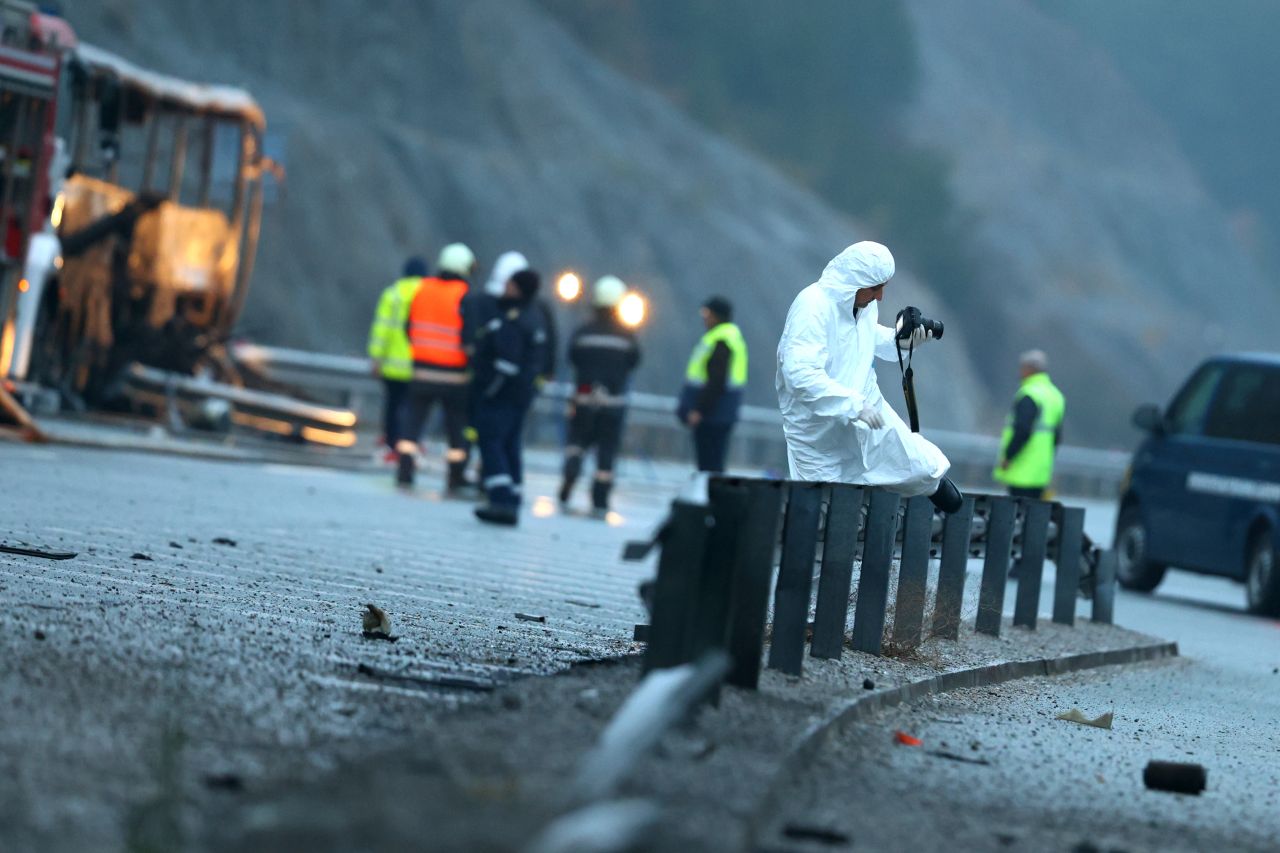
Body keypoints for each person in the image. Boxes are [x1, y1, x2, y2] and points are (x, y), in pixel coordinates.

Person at [775, 241, 963, 512]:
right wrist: (852, 405)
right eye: (876, 288)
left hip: (868, 408)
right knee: (824, 512)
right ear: (854, 281)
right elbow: (800, 375)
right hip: (817, 431)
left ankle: (937, 492)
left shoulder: (861, 305)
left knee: (918, 464)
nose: (880, 297)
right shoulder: (812, 307)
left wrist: (902, 341)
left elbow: (865, 337)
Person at [395, 242, 477, 493]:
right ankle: (455, 477)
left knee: (412, 426)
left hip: (422, 371)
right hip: (454, 376)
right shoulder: (465, 295)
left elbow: (408, 327)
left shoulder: (423, 289)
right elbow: (470, 336)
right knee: (456, 430)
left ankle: (405, 471)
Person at [558, 275, 642, 516]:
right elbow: (634, 362)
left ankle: (569, 480)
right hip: (613, 404)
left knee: (577, 444)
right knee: (606, 452)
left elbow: (572, 357)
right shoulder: (627, 336)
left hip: (583, 400)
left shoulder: (583, 332)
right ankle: (600, 500)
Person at [472, 268, 548, 525]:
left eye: (509, 284)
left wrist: (488, 390)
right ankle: (512, 498)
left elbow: (506, 363)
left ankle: (501, 499)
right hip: (521, 395)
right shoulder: (534, 316)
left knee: (492, 442)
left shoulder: (514, 319)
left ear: (518, 289)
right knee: (510, 445)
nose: (504, 288)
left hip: (503, 395)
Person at [676, 296, 747, 473]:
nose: (704, 318)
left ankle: (711, 498)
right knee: (713, 464)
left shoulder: (721, 340)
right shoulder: (729, 337)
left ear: (717, 316)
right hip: (720, 414)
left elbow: (716, 381)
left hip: (713, 415)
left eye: (707, 313)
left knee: (709, 466)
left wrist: (699, 410)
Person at [367, 257, 426, 462]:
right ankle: (411, 444)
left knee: (392, 407)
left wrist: (376, 357)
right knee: (414, 409)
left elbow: (381, 329)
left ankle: (392, 445)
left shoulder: (392, 294)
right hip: (420, 365)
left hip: (392, 365)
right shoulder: (427, 295)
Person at [993, 349, 1065, 499]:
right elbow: (1057, 436)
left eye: (1022, 368)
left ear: (1029, 369)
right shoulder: (1055, 395)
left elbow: (1022, 430)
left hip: (1022, 469)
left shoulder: (1030, 394)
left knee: (1017, 515)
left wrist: (1008, 456)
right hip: (1042, 470)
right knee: (1034, 517)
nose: (1020, 372)